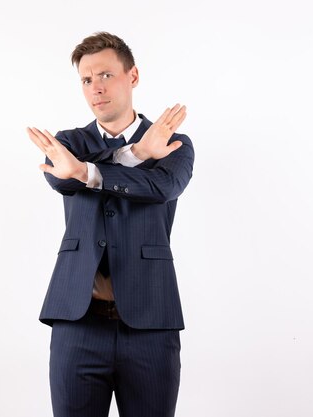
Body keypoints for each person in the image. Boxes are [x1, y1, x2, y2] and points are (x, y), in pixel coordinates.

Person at [27, 31, 195, 417]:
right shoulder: (69, 141)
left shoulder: (174, 143)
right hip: (78, 322)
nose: (95, 88)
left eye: (105, 75)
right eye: (86, 80)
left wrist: (88, 172)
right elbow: (60, 177)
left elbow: (162, 186)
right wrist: (136, 154)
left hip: (151, 323)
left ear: (132, 76)